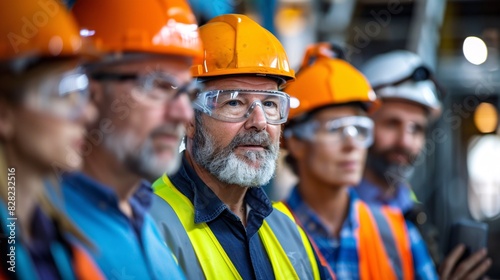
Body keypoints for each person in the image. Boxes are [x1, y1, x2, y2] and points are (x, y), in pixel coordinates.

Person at [150, 14, 332, 280]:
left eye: (270, 104)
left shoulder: (288, 229)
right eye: (234, 103)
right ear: (188, 118)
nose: (259, 122)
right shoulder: (150, 221)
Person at [60, 0, 203, 278]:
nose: (184, 113)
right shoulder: (39, 233)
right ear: (87, 89)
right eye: (160, 86)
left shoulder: (144, 219)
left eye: (188, 93)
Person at [281, 43, 436, 280]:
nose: (352, 145)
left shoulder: (399, 234)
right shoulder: (266, 234)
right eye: (335, 130)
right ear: (296, 142)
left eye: (359, 129)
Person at [355, 50, 492, 279]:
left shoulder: (407, 204)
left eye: (416, 128)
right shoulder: (336, 213)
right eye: (391, 123)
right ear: (361, 126)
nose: (405, 141)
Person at [0, 0, 103, 279]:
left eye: (80, 91)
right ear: (5, 114)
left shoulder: (65, 250)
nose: (87, 114)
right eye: (62, 92)